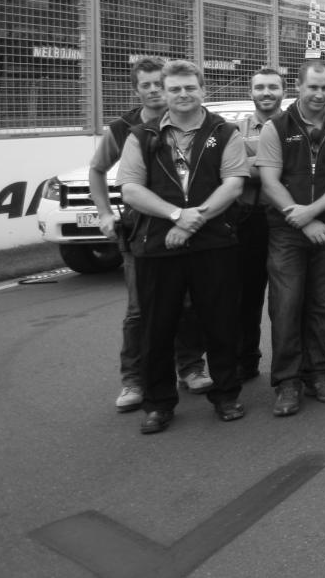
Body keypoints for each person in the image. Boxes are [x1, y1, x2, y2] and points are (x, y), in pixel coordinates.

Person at [117, 60, 249, 434]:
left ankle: (226, 395)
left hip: (214, 244)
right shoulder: (140, 136)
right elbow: (130, 188)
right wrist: (177, 215)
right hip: (158, 246)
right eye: (175, 89)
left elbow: (234, 184)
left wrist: (196, 219)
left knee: (221, 322)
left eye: (190, 87)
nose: (183, 94)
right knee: (157, 327)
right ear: (164, 92)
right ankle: (158, 404)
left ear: (203, 90)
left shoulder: (225, 132)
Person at [254, 60, 325, 417]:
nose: (319, 94)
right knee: (286, 305)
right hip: (287, 230)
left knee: (323, 304)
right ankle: (287, 382)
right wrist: (300, 219)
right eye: (312, 87)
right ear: (298, 88)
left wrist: (313, 213)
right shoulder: (276, 127)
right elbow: (270, 182)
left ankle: (318, 373)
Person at [95, 56, 203, 412]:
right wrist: (105, 213)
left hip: (189, 227)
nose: (156, 91)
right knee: (140, 310)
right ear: (136, 89)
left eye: (160, 83)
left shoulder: (192, 123)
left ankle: (190, 367)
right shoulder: (123, 129)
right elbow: (98, 171)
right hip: (142, 231)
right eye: (147, 85)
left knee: (189, 302)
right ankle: (134, 380)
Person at [230, 67, 287, 383]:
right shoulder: (234, 129)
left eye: (273, 87)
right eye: (260, 87)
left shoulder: (292, 126)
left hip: (284, 217)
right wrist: (272, 163)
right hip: (248, 219)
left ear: (283, 91)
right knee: (246, 296)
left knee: (286, 298)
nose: (267, 93)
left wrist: (256, 161)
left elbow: (296, 167)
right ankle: (246, 360)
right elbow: (234, 169)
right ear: (251, 91)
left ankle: (289, 363)